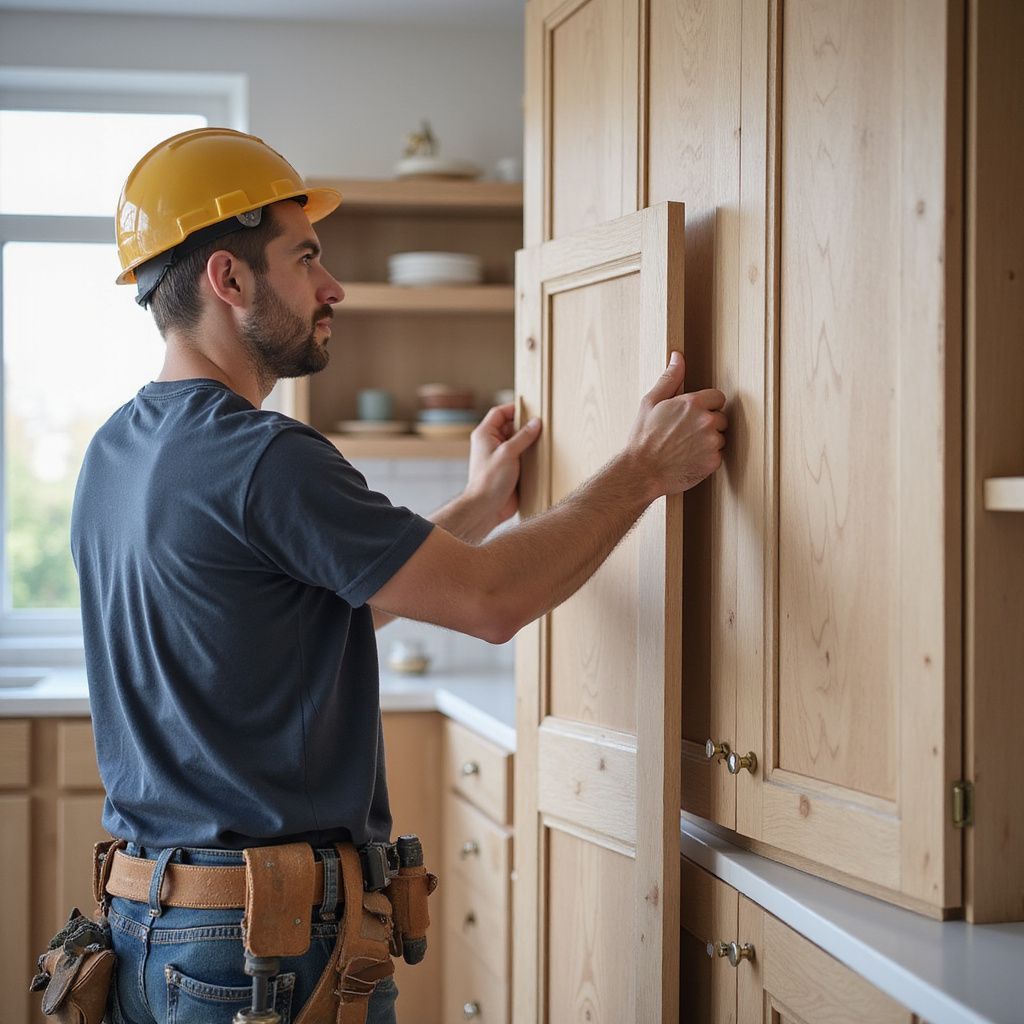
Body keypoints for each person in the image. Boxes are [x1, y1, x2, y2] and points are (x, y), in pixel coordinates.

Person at [69, 128, 727, 1024]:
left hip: (151, 937)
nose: (331, 285)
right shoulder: (265, 457)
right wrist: (645, 468)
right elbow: (494, 601)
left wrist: (477, 508)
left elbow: (298, 617)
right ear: (229, 279)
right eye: (305, 258)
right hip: (261, 953)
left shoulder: (117, 452)